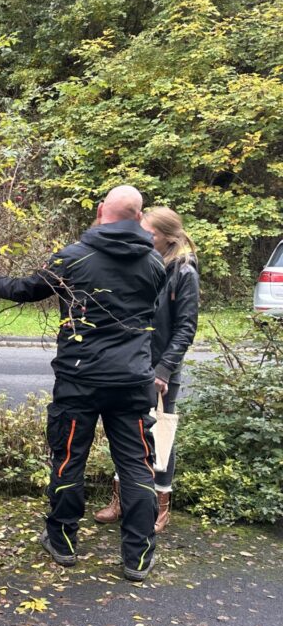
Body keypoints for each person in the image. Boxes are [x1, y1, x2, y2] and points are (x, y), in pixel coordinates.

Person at [0, 185, 166, 582]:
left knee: (68, 459)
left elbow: (28, 289)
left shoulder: (74, 257)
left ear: (101, 211)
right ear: (139, 217)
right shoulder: (154, 263)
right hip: (132, 380)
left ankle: (62, 542)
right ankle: (138, 555)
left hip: (80, 379)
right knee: (137, 465)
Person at [95, 207, 199, 533]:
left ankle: (161, 506)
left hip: (161, 371)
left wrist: (164, 371)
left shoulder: (184, 273)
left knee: (161, 436)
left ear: (167, 237)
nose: (143, 237)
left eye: (150, 233)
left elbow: (185, 328)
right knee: (127, 432)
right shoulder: (140, 262)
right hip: (131, 364)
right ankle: (122, 500)